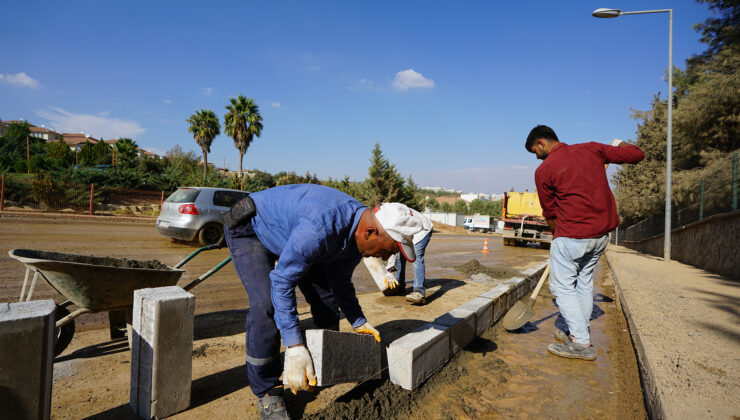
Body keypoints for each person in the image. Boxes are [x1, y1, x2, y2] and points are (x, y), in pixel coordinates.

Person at [223, 184, 422, 419]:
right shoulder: (320, 229)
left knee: (327, 302)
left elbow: (339, 280)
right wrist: (294, 346)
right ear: (370, 232)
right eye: (388, 249)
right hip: (252, 230)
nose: (387, 257)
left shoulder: (354, 237)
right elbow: (282, 281)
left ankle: (320, 363)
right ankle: (267, 390)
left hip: (295, 234)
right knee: (265, 306)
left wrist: (358, 320)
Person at [526, 125, 644, 361]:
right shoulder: (592, 150)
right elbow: (636, 154)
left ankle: (581, 344)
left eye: (535, 152)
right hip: (601, 236)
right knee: (583, 282)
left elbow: (549, 212)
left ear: (541, 143)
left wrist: (557, 234)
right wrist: (620, 144)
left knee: (561, 288)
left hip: (572, 235)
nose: (536, 157)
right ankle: (576, 331)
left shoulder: (544, 170)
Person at [385, 209, 433, 305]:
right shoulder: (386, 220)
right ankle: (400, 287)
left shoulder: (391, 222)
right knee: (401, 257)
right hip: (409, 232)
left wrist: (390, 269)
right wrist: (390, 268)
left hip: (422, 230)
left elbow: (394, 245)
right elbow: (395, 248)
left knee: (416, 258)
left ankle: (419, 292)